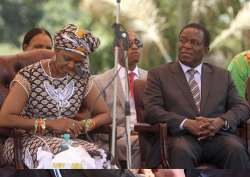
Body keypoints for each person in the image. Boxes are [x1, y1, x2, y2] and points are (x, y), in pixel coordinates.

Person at [0, 24, 112, 168]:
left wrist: (85, 125)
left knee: (100, 159)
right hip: (24, 141)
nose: (72, 65)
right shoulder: (30, 75)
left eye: (78, 62)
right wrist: (50, 123)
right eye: (67, 58)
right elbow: (4, 118)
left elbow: (105, 114)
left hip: (67, 141)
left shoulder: (81, 77)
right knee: (68, 160)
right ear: (56, 50)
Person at [143, 23, 250, 168]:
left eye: (194, 43)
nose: (186, 46)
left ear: (206, 50)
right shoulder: (158, 74)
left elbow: (242, 106)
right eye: (183, 40)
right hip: (179, 138)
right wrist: (186, 123)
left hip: (217, 137)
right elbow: (152, 111)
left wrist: (220, 122)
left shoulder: (222, 76)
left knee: (236, 149)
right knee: (181, 151)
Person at [94, 31, 147, 168]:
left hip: (149, 133)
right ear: (116, 50)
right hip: (117, 139)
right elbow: (98, 123)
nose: (134, 47)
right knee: (139, 144)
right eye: (128, 44)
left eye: (137, 43)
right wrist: (129, 132)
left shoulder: (151, 78)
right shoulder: (100, 82)